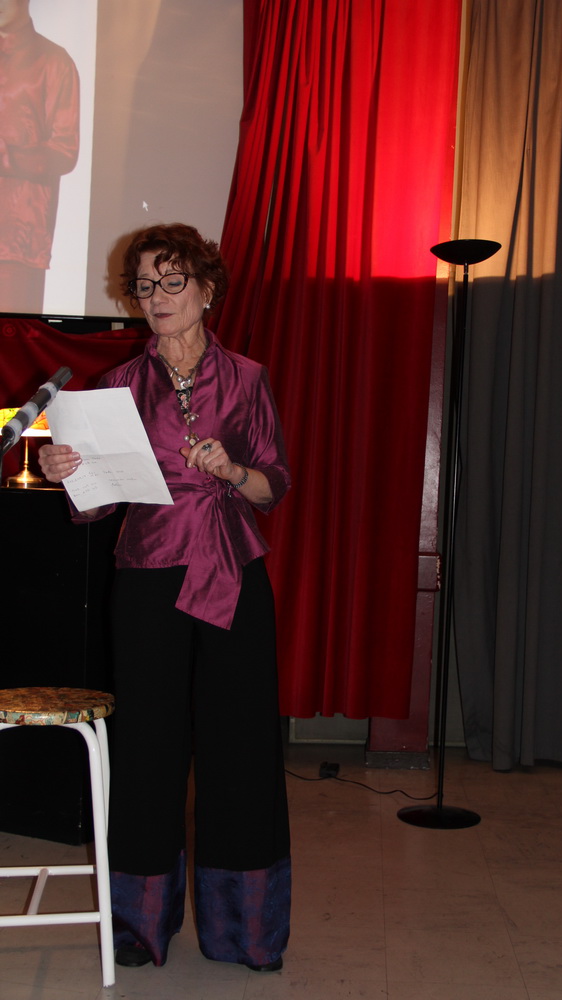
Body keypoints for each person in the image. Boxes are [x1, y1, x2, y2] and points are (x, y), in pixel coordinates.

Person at [38, 223, 291, 971]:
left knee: (241, 747)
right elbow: (97, 504)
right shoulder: (116, 385)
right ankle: (141, 927)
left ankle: (245, 930)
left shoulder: (247, 377)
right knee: (147, 749)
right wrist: (65, 472)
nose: (156, 297)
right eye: (144, 285)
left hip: (232, 571)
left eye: (171, 281)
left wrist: (231, 471)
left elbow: (273, 485)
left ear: (207, 289)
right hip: (148, 573)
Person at [0, 0, 80, 313]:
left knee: (12, 337)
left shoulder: (54, 61)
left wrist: (8, 156)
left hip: (17, 238)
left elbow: (64, 151)